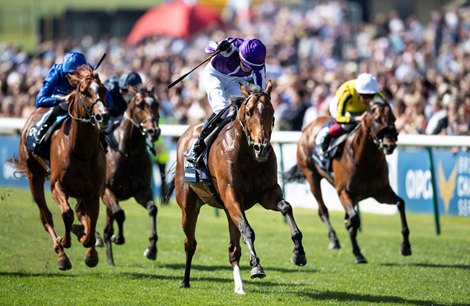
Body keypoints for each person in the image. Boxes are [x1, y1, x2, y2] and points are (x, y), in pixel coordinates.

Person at [185, 37, 267, 166]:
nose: (248, 69)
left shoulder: (259, 66)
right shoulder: (232, 47)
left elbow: (260, 93)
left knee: (247, 107)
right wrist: (219, 47)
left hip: (234, 80)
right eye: (246, 65)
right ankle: (197, 144)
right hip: (214, 76)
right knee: (221, 109)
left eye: (252, 67)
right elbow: (209, 46)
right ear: (240, 56)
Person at [29, 51, 112, 155]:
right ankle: (39, 138)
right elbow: (40, 100)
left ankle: (102, 137)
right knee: (62, 106)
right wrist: (62, 99)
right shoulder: (56, 72)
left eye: (78, 74)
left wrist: (98, 84)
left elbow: (109, 101)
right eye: (70, 74)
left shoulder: (89, 72)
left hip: (81, 101)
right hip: (60, 98)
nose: (73, 78)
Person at [315, 73, 385, 160]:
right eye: (365, 96)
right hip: (342, 107)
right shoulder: (348, 93)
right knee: (345, 126)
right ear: (358, 93)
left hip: (360, 108)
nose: (369, 100)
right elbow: (340, 118)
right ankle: (326, 135)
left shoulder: (379, 94)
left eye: (371, 96)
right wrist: (357, 119)